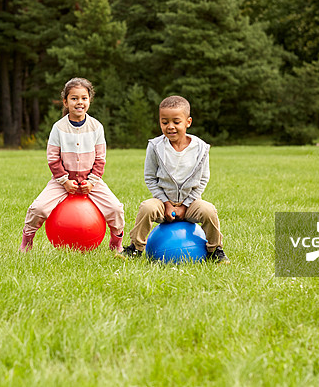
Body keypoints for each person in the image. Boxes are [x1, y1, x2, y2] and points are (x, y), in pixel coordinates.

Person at [19, 78, 125, 253]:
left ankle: (116, 242)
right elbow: (53, 158)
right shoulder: (58, 128)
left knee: (115, 208)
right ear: (65, 102)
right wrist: (64, 181)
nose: (79, 102)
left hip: (91, 181)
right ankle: (27, 241)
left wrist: (92, 181)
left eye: (84, 98)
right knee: (38, 208)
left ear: (89, 100)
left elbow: (100, 159)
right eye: (74, 98)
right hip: (61, 182)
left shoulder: (96, 127)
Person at [120, 95, 229, 263]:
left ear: (188, 122)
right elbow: (150, 178)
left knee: (209, 210)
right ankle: (135, 248)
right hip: (163, 204)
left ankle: (215, 250)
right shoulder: (155, 146)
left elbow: (202, 180)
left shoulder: (201, 148)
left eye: (176, 122)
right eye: (164, 122)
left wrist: (185, 206)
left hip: (190, 204)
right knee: (146, 207)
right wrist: (166, 203)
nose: (170, 127)